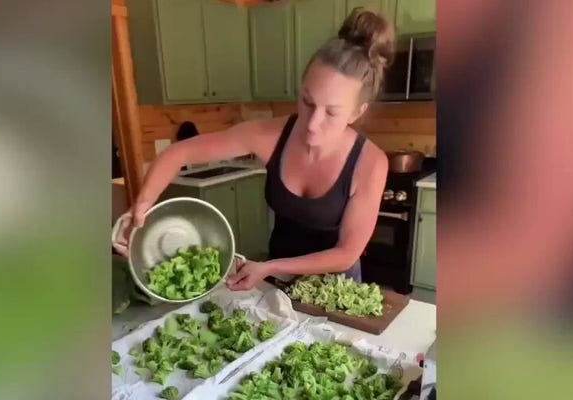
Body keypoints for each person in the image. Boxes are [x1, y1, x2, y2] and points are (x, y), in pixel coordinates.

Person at [113, 8, 394, 292]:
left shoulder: (370, 163)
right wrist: (141, 207)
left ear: (356, 112)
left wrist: (271, 266)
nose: (312, 124)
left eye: (331, 112)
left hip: (338, 289)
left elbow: (346, 253)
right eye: (307, 102)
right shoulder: (269, 135)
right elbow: (178, 153)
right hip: (277, 279)